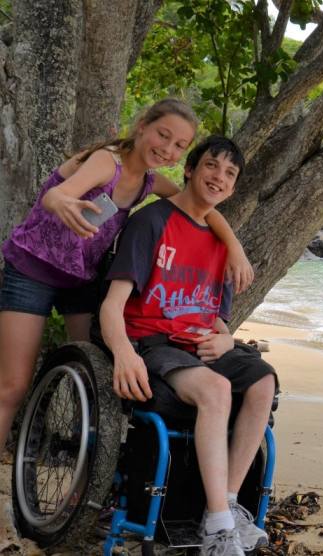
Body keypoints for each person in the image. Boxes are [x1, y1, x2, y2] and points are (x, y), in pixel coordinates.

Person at [0, 99, 254, 459]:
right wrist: (60, 203)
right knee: (12, 385)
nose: (167, 148)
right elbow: (57, 195)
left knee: (92, 378)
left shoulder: (149, 181)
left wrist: (234, 247)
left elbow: (197, 206)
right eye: (162, 135)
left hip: (81, 279)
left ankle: (83, 463)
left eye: (179, 145)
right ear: (142, 127)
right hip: (33, 269)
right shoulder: (107, 162)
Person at [100, 136, 276, 555]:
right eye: (212, 166)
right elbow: (113, 305)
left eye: (230, 173)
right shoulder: (153, 222)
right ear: (190, 169)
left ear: (233, 187)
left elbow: (218, 317)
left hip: (199, 345)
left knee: (263, 381)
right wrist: (123, 353)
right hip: (153, 342)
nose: (219, 177)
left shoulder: (223, 244)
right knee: (215, 391)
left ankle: (228, 506)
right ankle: (217, 531)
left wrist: (226, 338)